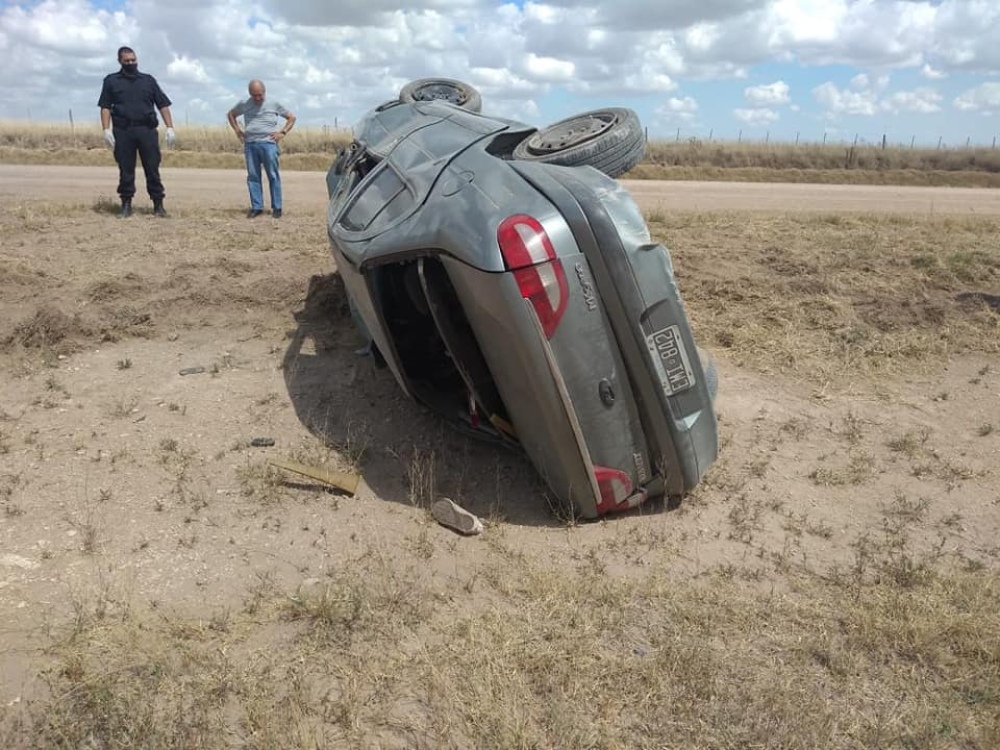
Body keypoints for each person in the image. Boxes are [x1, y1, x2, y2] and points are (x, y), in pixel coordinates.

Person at [98, 46, 176, 218]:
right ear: (120, 61)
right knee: (126, 169)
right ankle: (126, 205)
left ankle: (158, 205)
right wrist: (106, 130)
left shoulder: (148, 80)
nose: (131, 63)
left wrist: (170, 127)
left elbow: (162, 104)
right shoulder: (111, 81)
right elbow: (105, 106)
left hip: (146, 129)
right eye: (127, 61)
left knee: (152, 168)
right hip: (123, 130)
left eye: (133, 60)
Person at [227, 80, 296, 218]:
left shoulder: (273, 103)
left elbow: (291, 117)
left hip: (269, 144)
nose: (257, 98)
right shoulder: (244, 104)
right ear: (249, 94)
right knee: (253, 176)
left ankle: (277, 208)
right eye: (254, 95)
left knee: (273, 175)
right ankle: (256, 207)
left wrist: (282, 133)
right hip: (250, 144)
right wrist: (238, 131)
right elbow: (231, 114)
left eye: (260, 95)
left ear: (264, 92)